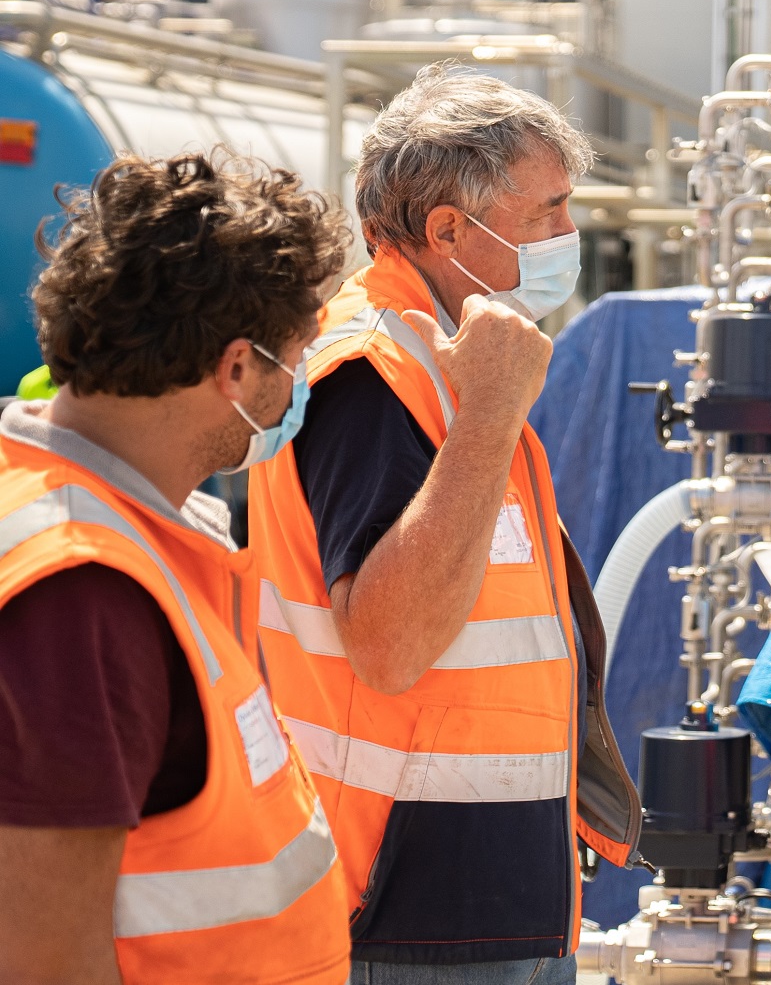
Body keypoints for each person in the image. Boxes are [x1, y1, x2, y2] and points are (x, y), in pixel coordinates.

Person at [251, 64, 639, 982]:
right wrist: (492, 411)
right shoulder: (371, 369)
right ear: (448, 230)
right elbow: (389, 643)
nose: (568, 234)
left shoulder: (450, 355)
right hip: (404, 914)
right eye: (546, 210)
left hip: (490, 905)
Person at [0, 151, 352, 984]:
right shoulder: (84, 592)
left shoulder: (100, 521)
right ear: (235, 367)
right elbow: (44, 957)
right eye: (296, 357)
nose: (299, 385)